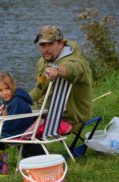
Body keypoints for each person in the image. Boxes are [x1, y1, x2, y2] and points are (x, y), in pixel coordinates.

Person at [22, 25, 93, 158]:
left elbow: (72, 69)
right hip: (47, 113)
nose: (46, 49)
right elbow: (39, 89)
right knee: (16, 117)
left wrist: (57, 70)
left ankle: (38, 164)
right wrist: (18, 101)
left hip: (71, 118)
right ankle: (35, 160)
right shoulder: (42, 63)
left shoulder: (77, 61)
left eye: (50, 44)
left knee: (23, 128)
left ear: (61, 43)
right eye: (42, 45)